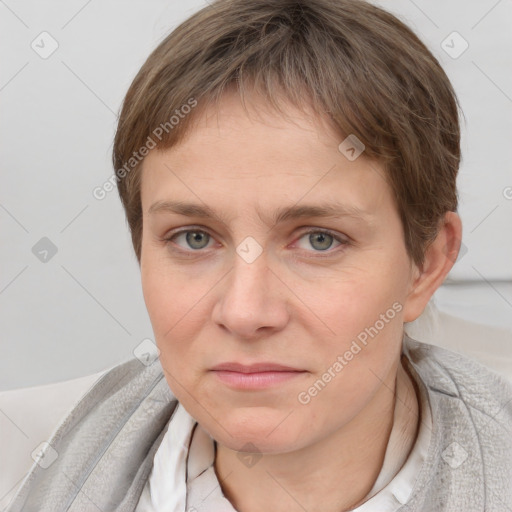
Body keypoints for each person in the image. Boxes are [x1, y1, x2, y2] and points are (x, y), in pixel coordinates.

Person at [6, 0, 512, 511]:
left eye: (319, 240)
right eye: (194, 238)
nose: (246, 312)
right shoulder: (18, 465)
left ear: (426, 264)